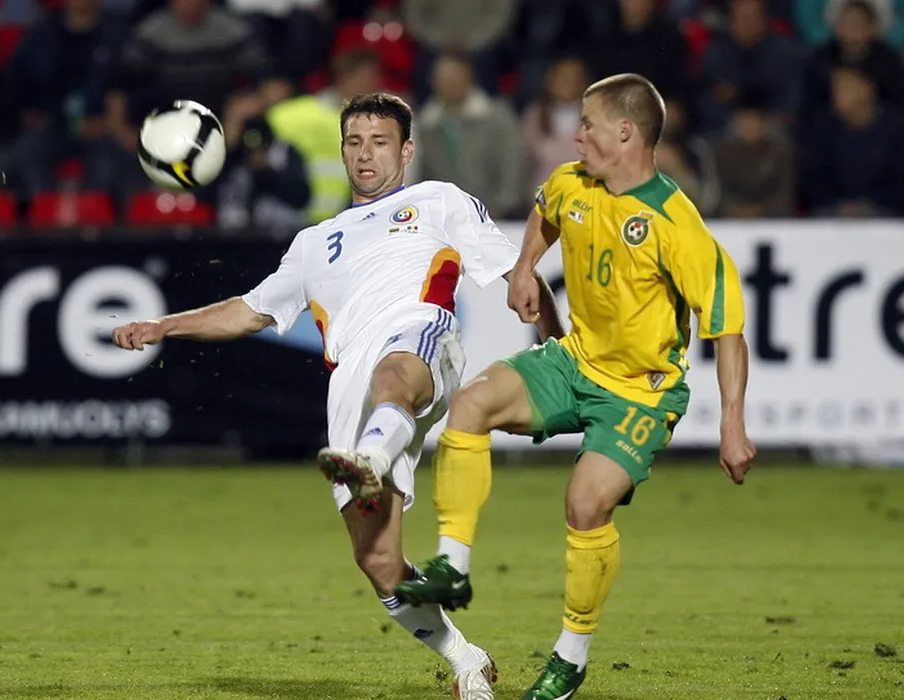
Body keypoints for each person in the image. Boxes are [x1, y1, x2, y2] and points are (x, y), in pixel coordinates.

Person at [111, 92, 563, 700]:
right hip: (350, 380)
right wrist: (162, 326)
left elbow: (521, 274)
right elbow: (249, 311)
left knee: (392, 376)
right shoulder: (312, 242)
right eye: (354, 142)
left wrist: (559, 348)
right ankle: (465, 659)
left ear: (406, 150)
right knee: (378, 563)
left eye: (379, 142)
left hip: (419, 334)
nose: (365, 154)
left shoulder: (439, 201)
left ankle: (372, 456)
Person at [395, 74, 757, 700]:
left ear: (627, 131)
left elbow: (726, 331)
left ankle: (570, 657)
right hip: (575, 361)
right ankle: (452, 565)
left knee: (586, 506)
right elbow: (546, 211)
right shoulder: (573, 183)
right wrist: (525, 267)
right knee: (471, 403)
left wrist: (732, 424)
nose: (577, 134)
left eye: (589, 123)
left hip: (641, 392)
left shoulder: (677, 224)